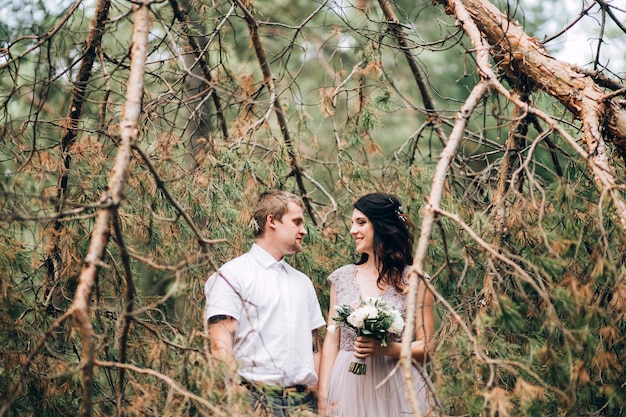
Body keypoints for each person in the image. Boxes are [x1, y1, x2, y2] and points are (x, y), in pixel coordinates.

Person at [205, 189, 326, 416]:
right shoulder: (232, 275)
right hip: (254, 400)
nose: (304, 230)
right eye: (297, 222)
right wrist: (236, 397)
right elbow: (220, 345)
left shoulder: (303, 282)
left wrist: (316, 398)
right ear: (272, 220)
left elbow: (314, 346)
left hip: (302, 403)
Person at [318, 192, 438, 417]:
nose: (353, 230)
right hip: (347, 386)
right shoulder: (341, 279)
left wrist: (389, 349)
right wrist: (324, 397)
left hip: (396, 386)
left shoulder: (414, 280)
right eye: (353, 223)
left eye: (361, 223)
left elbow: (428, 347)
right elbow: (331, 343)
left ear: (382, 226)